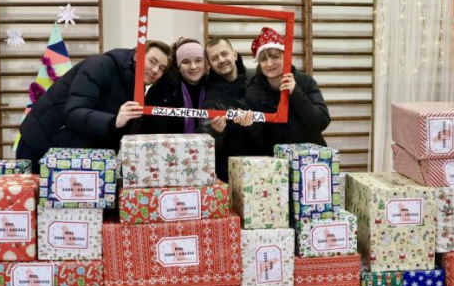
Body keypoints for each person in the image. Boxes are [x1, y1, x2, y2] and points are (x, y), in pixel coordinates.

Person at [16, 40, 171, 172]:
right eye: (152, 61)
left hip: (73, 155)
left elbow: (116, 132)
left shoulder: (137, 88)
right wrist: (114, 121)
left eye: (162, 68)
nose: (156, 70)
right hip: (41, 146)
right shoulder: (99, 65)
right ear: (137, 56)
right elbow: (73, 113)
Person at [236, 27, 331, 155]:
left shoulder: (305, 82)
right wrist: (251, 126)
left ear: (286, 58)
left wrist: (296, 93)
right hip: (278, 164)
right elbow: (261, 144)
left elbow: (321, 123)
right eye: (263, 59)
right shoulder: (252, 93)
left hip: (311, 158)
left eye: (275, 57)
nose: (269, 64)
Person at [131, 37, 208, 135]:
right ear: (178, 66)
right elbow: (145, 125)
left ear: (205, 63)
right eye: (186, 62)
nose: (193, 67)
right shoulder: (162, 88)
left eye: (198, 60)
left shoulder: (213, 85)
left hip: (210, 147)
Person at [202, 38, 251, 181]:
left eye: (224, 54)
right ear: (210, 64)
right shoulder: (211, 97)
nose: (221, 60)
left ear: (234, 55)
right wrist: (216, 132)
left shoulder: (256, 80)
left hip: (262, 164)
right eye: (214, 58)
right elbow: (206, 142)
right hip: (229, 172)